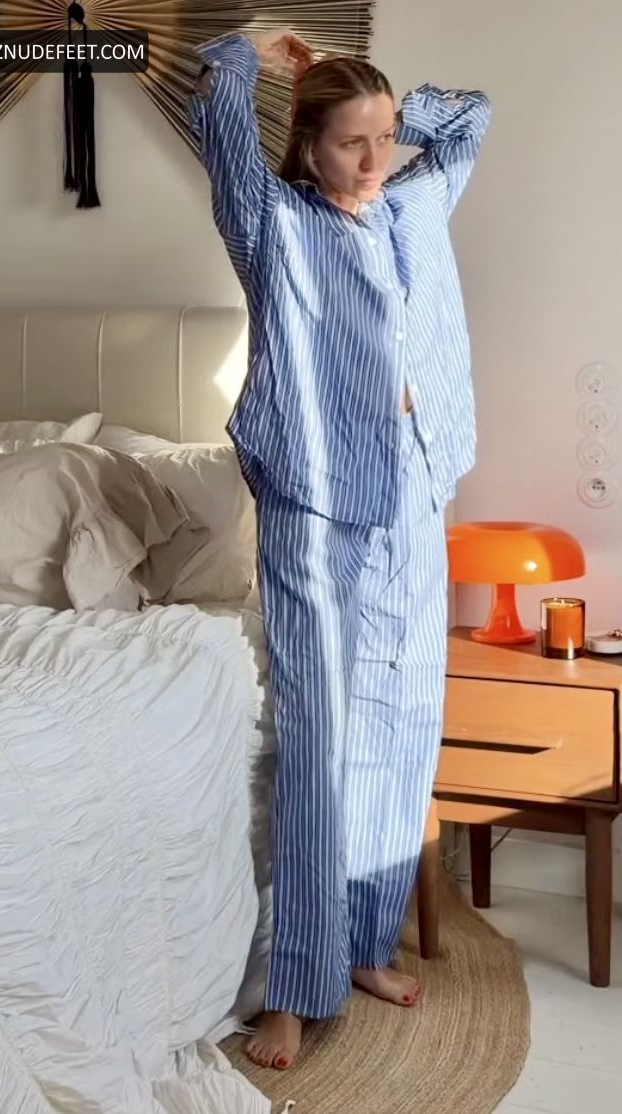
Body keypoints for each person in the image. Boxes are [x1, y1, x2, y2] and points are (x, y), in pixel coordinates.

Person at [188, 28, 490, 1071]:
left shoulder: (413, 203)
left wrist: (394, 101)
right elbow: (219, 124)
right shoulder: (269, 222)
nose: (372, 160)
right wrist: (247, 57)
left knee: (403, 720)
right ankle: (294, 986)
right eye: (351, 142)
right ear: (308, 145)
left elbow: (472, 123)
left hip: (416, 482)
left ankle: (362, 946)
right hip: (315, 495)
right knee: (320, 733)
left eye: (384, 137)